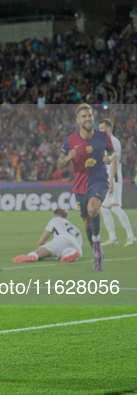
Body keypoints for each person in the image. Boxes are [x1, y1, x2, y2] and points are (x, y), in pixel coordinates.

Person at [57, 104, 113, 272]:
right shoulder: (70, 140)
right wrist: (68, 158)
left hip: (99, 181)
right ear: (77, 120)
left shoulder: (103, 137)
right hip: (80, 186)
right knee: (87, 221)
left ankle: (97, 249)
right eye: (84, 116)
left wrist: (108, 158)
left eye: (89, 115)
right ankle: (97, 248)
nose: (88, 119)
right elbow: (60, 164)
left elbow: (111, 152)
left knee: (93, 208)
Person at [98, 119, 137, 247]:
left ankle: (131, 236)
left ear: (109, 129)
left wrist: (111, 182)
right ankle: (112, 238)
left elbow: (115, 161)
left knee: (115, 207)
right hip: (106, 178)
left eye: (102, 128)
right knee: (104, 208)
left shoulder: (114, 142)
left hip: (113, 178)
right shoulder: (105, 143)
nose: (99, 131)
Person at [12, 208, 82, 263]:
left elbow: (42, 241)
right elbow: (79, 243)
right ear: (66, 217)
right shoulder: (75, 228)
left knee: (38, 254)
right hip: (77, 247)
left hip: (62, 239)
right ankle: (69, 254)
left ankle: (33, 256)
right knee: (67, 250)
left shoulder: (55, 220)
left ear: (55, 215)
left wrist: (40, 250)